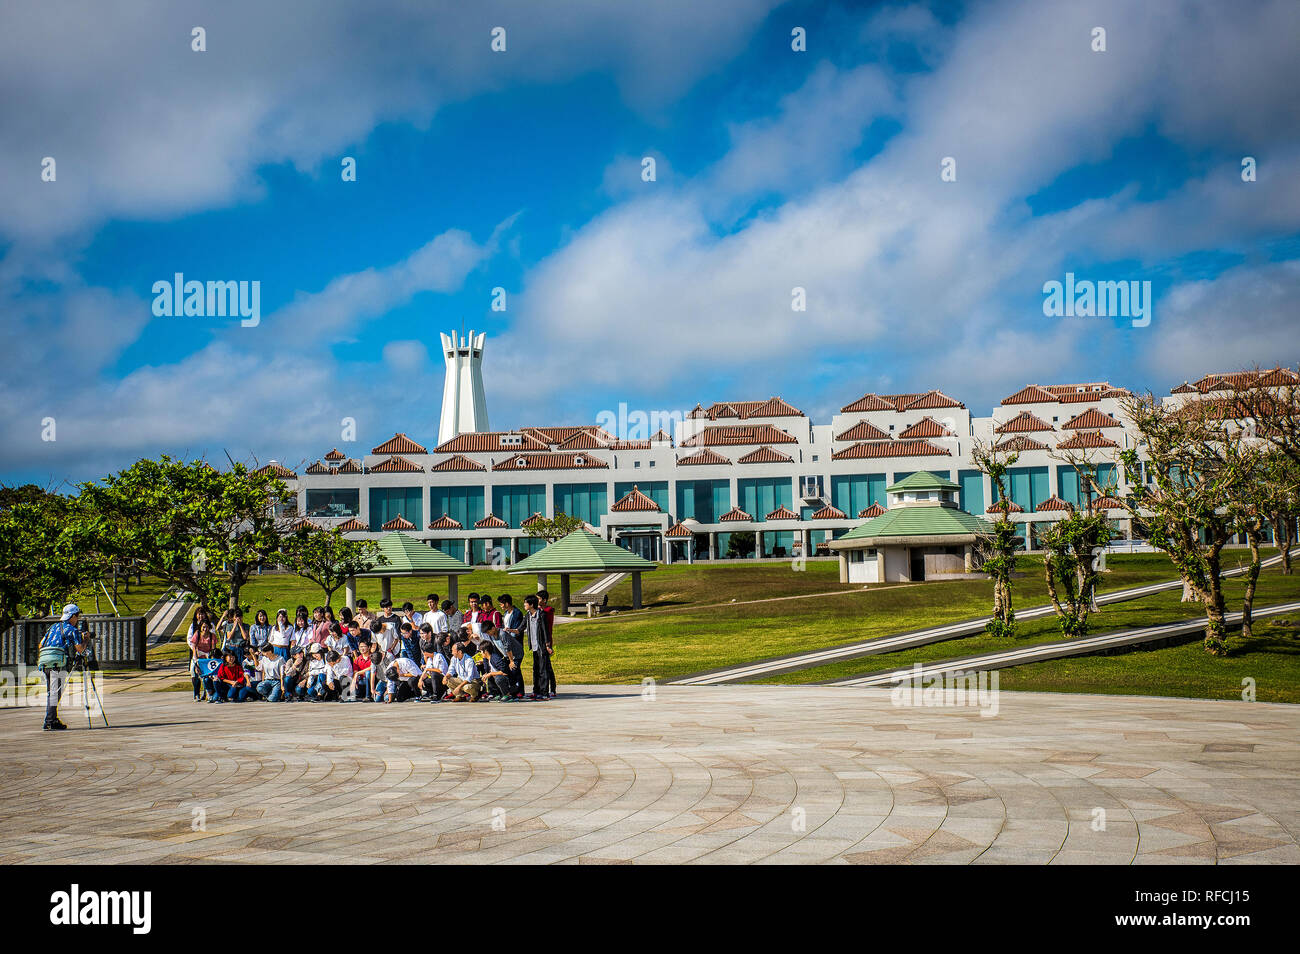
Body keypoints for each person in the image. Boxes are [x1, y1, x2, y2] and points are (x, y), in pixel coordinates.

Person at [36, 604, 86, 730]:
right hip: (58, 664)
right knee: (55, 693)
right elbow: (80, 649)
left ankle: (53, 719)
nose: (78, 619)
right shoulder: (72, 630)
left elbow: (41, 645)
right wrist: (85, 639)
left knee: (51, 693)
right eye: (77, 616)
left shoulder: (53, 627)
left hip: (45, 662)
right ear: (73, 616)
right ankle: (49, 721)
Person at [523, 595, 555, 700]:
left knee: (543, 670)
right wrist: (511, 630)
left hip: (542, 646)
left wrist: (547, 645)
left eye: (526, 603)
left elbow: (545, 630)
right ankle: (536, 691)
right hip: (534, 647)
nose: (524, 605)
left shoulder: (541, 614)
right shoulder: (528, 615)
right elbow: (521, 627)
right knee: (535, 670)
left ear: (531, 604)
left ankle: (544, 693)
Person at [498, 595, 526, 698]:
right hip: (507, 644)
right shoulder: (506, 613)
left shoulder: (517, 613)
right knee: (512, 669)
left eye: (501, 604)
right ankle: (514, 690)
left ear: (507, 603)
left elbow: (517, 630)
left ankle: (520, 691)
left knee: (515, 668)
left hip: (515, 644)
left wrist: (508, 634)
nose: (500, 606)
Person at [477, 623, 514, 701]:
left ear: (485, 651)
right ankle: (497, 693)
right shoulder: (487, 659)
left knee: (498, 678)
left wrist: (491, 674)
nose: (480, 653)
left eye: (481, 652)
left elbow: (505, 671)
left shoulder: (495, 658)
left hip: (508, 681)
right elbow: (488, 671)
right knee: (489, 676)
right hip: (498, 678)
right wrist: (486, 674)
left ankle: (507, 694)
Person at [188, 617, 218, 701]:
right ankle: (196, 694)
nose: (205, 629)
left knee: (207, 675)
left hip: (207, 657)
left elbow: (213, 650)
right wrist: (196, 660)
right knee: (194, 673)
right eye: (203, 627)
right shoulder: (197, 634)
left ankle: (207, 693)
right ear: (200, 627)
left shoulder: (212, 636)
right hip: (198, 655)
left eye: (207, 627)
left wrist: (210, 660)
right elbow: (194, 647)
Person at [537, 589, 557, 698]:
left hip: (547, 640)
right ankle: (542, 687)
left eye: (539, 599)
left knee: (547, 666)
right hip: (540, 641)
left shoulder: (548, 611)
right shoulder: (539, 610)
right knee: (541, 666)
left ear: (544, 600)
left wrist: (547, 644)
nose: (537, 601)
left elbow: (547, 627)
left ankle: (552, 688)